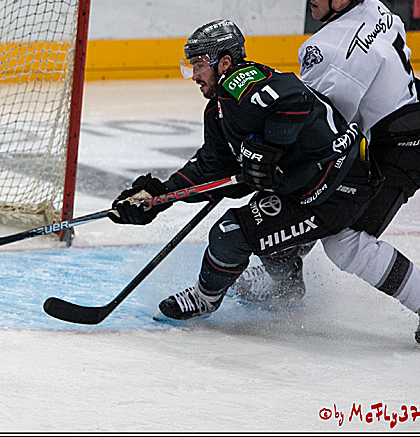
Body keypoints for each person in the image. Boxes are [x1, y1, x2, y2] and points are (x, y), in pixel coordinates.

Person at [107, 20, 401, 330]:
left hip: (337, 186)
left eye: (200, 65)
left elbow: (294, 98)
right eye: (191, 66)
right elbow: (212, 168)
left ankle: (205, 298)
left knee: (230, 233)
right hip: (311, 187)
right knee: (264, 221)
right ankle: (287, 289)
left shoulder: (242, 83)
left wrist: (269, 148)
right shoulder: (220, 107)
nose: (194, 75)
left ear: (225, 62)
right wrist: (159, 196)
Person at [230, 0, 420, 344]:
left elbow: (317, 129)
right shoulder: (373, 8)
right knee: (319, 201)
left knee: (343, 241)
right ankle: (286, 276)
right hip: (401, 125)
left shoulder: (331, 51)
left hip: (401, 148)